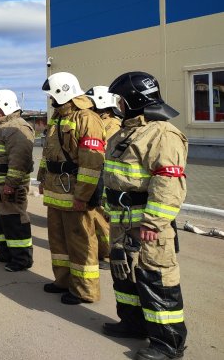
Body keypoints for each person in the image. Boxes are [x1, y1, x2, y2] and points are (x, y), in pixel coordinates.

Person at [101, 72, 187, 360]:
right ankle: (133, 323)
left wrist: (153, 222)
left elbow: (168, 182)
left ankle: (168, 343)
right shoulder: (124, 132)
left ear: (136, 100)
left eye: (122, 100)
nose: (118, 106)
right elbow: (114, 176)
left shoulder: (163, 134)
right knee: (124, 274)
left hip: (148, 226)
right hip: (123, 222)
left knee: (156, 279)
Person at [37, 72, 105, 304]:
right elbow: (48, 153)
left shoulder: (87, 118)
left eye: (51, 95)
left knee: (80, 241)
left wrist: (83, 196)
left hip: (74, 190)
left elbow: (91, 162)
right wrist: (42, 179)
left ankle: (84, 290)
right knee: (58, 240)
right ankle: (63, 281)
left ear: (61, 92)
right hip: (56, 188)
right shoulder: (57, 117)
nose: (49, 100)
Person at [0, 90, 35, 272]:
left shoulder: (18, 128)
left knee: (14, 220)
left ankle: (21, 258)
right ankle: (5, 252)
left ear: (7, 106)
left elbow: (19, 160)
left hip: (7, 185)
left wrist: (11, 184)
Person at [86, 85, 124, 269]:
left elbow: (102, 150)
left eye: (91, 102)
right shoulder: (98, 121)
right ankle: (102, 251)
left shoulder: (113, 125)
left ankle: (109, 255)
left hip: (105, 177)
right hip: (97, 175)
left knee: (104, 219)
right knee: (96, 217)